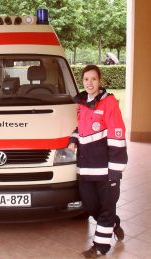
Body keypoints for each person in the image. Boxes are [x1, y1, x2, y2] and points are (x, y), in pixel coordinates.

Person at [68, 65, 128, 258]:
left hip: (105, 170)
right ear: (82, 81)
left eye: (94, 79)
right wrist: (73, 138)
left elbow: (117, 135)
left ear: (99, 81)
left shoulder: (109, 103)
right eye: (86, 79)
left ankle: (100, 248)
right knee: (91, 205)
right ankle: (114, 223)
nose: (90, 83)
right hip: (86, 168)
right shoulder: (82, 103)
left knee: (107, 207)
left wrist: (115, 171)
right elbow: (81, 128)